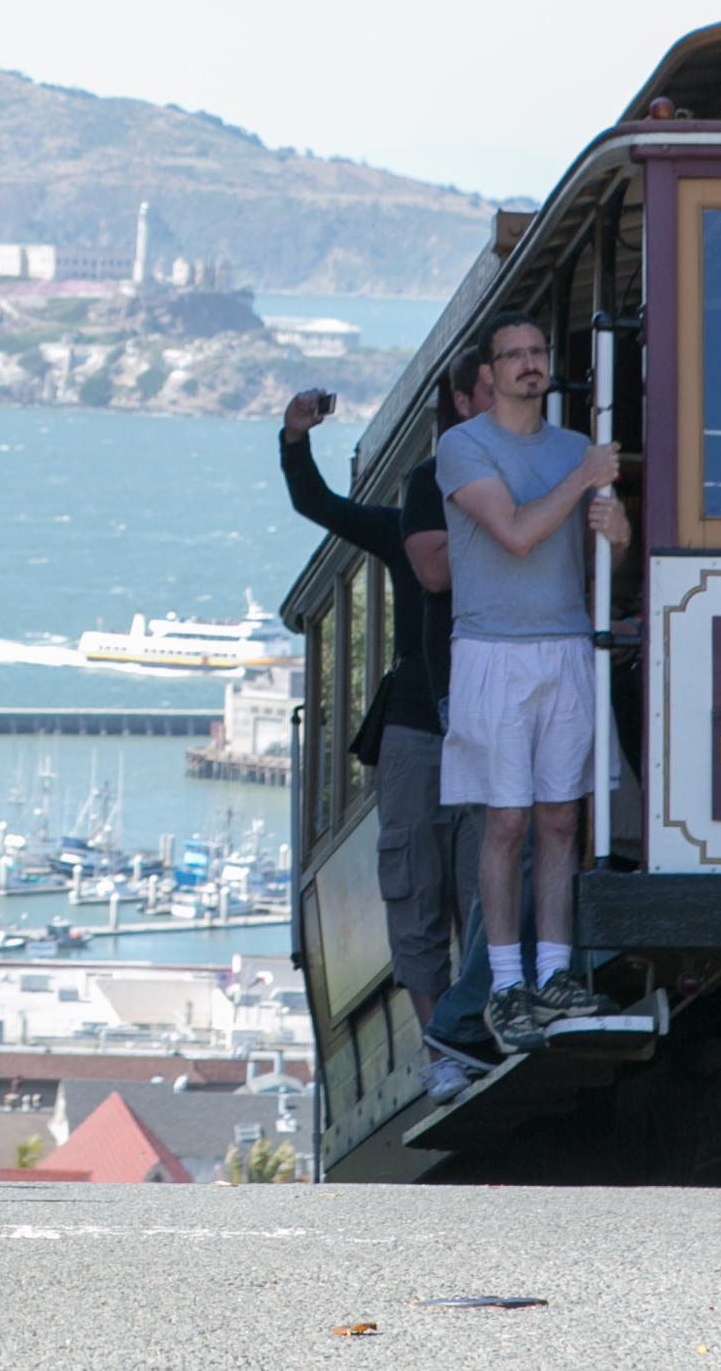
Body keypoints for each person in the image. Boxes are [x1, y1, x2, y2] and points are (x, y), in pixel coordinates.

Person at [277, 359, 482, 1099]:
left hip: (492, 724)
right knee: (419, 885)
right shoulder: (411, 529)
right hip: (418, 728)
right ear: (462, 407)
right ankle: (441, 1049)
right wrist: (295, 438)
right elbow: (317, 504)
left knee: (483, 881)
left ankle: (480, 1025)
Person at [435, 312, 628, 1057]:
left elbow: (612, 545)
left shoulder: (576, 447)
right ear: (491, 373)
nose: (528, 364)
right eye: (512, 356)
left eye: (537, 352)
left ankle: (553, 976)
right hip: (494, 653)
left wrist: (616, 527)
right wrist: (585, 480)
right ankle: (505, 985)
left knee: (558, 819)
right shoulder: (464, 447)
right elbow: (514, 533)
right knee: (507, 822)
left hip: (567, 645)